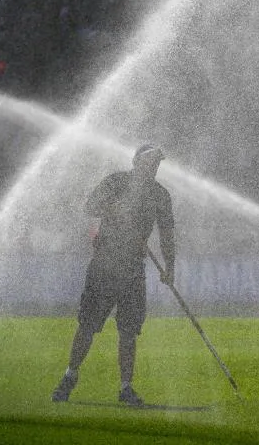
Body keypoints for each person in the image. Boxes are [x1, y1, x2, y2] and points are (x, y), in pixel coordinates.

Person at [52, 144, 176, 406]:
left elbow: (167, 235)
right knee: (88, 325)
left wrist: (170, 267)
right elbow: (89, 206)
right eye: (150, 161)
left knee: (129, 331)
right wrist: (113, 209)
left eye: (157, 163)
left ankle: (126, 388)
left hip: (133, 269)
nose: (154, 166)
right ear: (137, 162)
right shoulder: (116, 182)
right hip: (105, 264)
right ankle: (69, 376)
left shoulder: (160, 195)